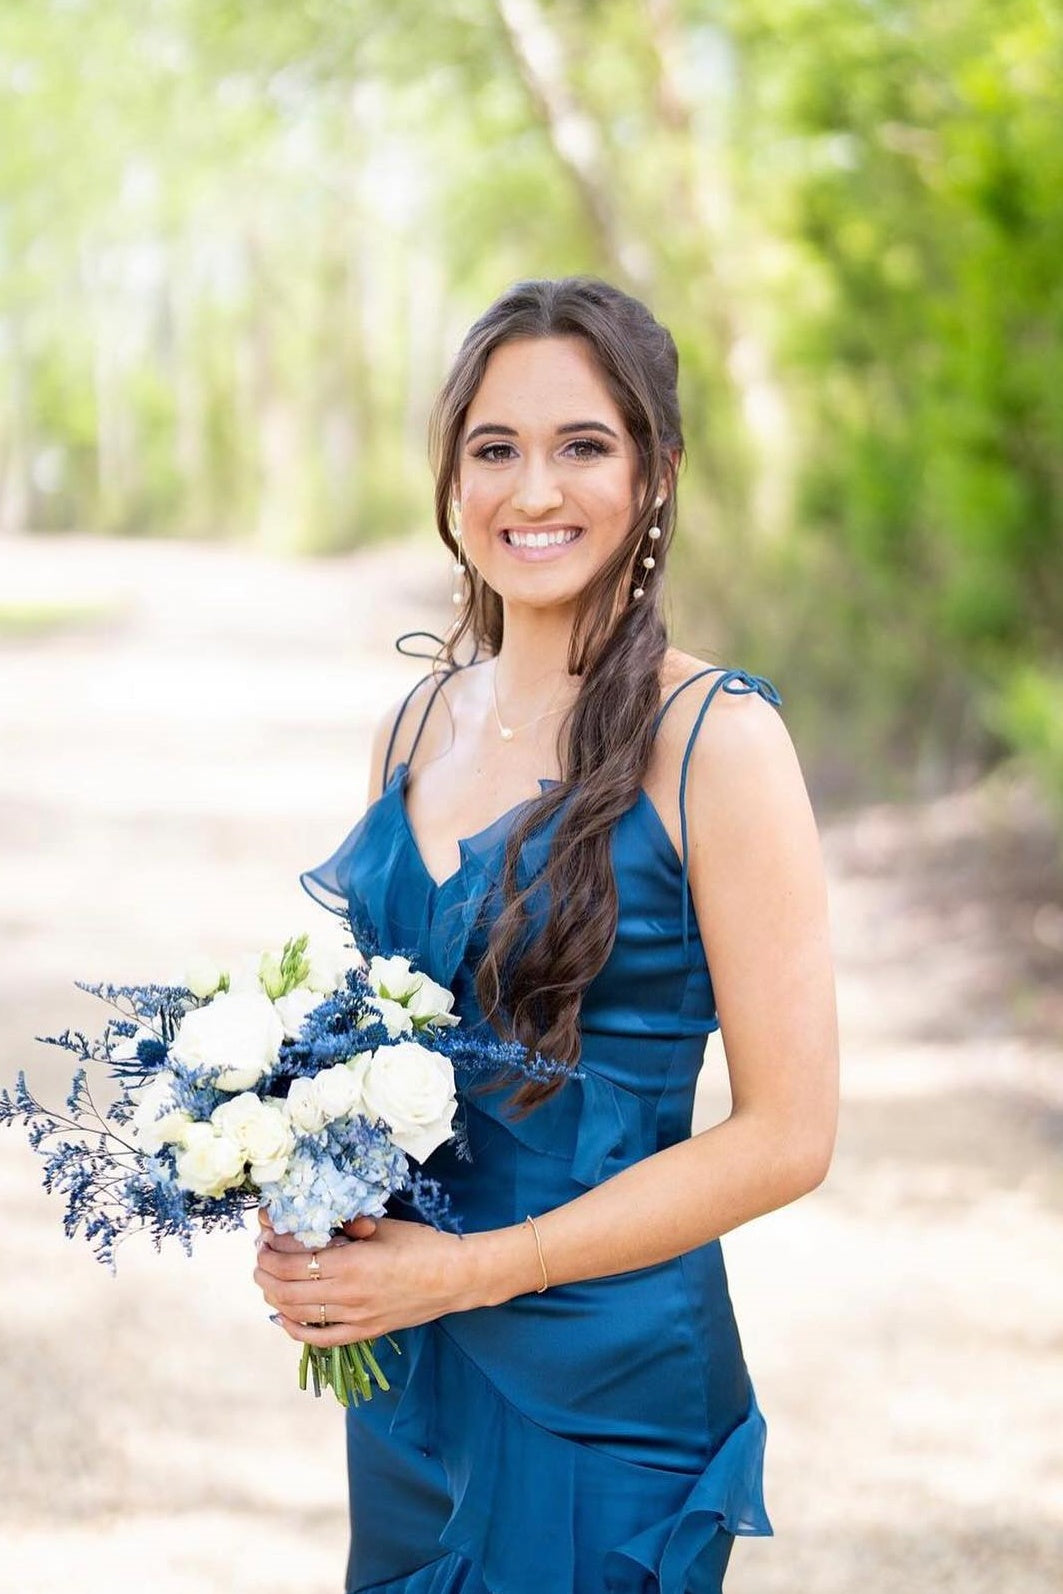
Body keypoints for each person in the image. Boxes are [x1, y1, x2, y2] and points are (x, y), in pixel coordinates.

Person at [254, 276, 839, 1594]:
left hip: (609, 1388)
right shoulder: (413, 730)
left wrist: (473, 1270)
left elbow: (791, 1134)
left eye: (583, 445)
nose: (534, 491)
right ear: (451, 474)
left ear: (658, 470)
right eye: (494, 447)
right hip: (411, 1377)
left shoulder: (719, 745)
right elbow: (375, 1073)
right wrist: (308, 1216)